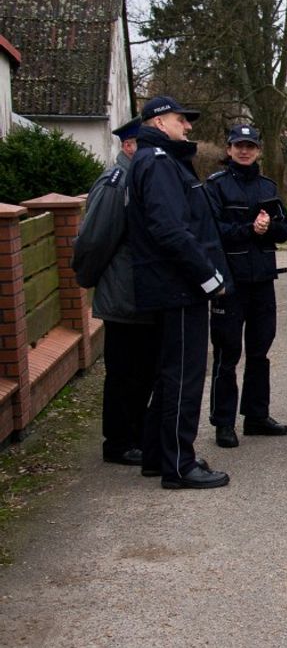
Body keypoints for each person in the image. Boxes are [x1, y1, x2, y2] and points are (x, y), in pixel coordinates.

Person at [126, 95, 232, 489]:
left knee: (170, 373)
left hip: (172, 286)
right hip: (179, 287)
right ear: (158, 122)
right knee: (184, 376)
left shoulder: (160, 160)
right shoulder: (157, 163)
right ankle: (180, 465)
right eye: (180, 119)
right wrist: (209, 278)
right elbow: (170, 229)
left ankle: (159, 454)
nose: (187, 126)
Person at [71, 116, 158, 468]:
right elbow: (94, 240)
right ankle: (119, 442)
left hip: (139, 295)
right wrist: (90, 279)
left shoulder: (136, 180)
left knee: (142, 371)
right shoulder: (116, 183)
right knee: (124, 372)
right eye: (146, 144)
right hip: (123, 296)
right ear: (129, 146)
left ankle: (135, 434)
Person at [205, 125, 287, 448]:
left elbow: (285, 229)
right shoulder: (214, 187)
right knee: (227, 353)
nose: (244, 151)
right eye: (238, 145)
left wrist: (269, 227)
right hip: (230, 283)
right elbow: (212, 231)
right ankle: (223, 422)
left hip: (262, 282)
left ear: (258, 150)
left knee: (260, 350)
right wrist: (250, 229)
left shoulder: (267, 187)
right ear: (228, 149)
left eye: (250, 146)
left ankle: (256, 416)